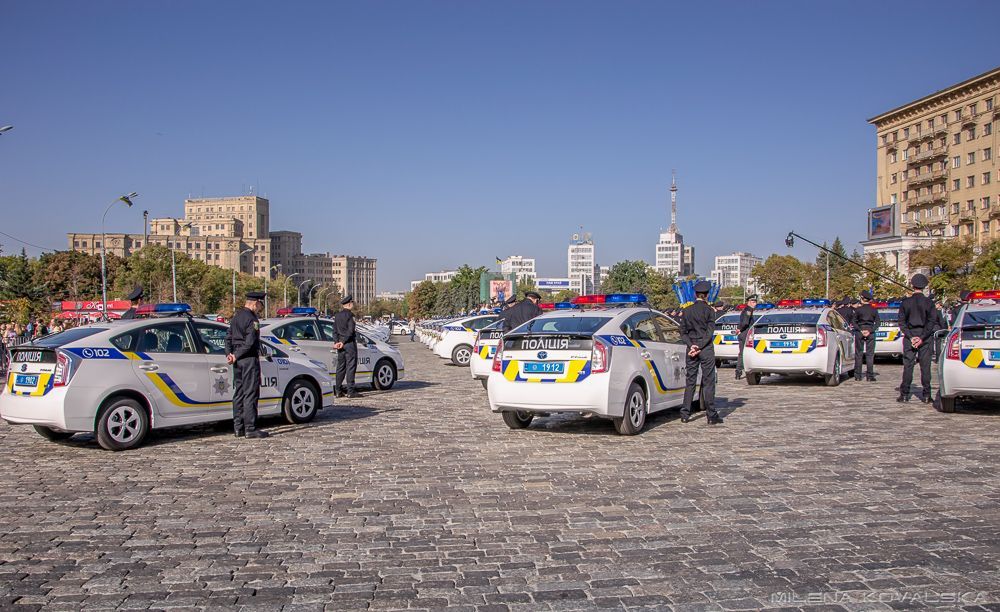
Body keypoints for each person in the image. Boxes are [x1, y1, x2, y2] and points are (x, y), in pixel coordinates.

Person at [226, 291, 268, 438]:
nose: (260, 309)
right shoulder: (252, 319)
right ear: (256, 303)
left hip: (237, 360)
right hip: (249, 359)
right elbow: (250, 343)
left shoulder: (236, 317)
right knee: (250, 394)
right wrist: (236, 355)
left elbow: (228, 338)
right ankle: (250, 428)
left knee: (238, 393)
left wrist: (230, 355)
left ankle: (238, 428)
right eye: (260, 306)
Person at [679, 281, 721, 425]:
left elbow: (682, 332)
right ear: (707, 295)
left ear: (695, 294)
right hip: (706, 348)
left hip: (691, 349)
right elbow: (710, 333)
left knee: (690, 381)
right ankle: (711, 415)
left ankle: (685, 413)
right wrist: (700, 346)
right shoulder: (709, 311)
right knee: (708, 381)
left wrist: (692, 346)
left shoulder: (687, 310)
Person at [898, 274, 939, 403]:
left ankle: (904, 394)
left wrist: (911, 337)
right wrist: (921, 337)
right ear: (925, 286)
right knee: (925, 367)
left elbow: (902, 322)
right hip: (925, 336)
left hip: (910, 335)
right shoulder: (929, 303)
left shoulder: (906, 302)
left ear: (912, 285)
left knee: (908, 366)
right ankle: (926, 395)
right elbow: (931, 322)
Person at [333, 295, 361, 398]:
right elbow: (350, 331)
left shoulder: (337, 315)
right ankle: (350, 391)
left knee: (340, 367)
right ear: (349, 304)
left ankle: (338, 390)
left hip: (340, 345)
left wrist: (337, 342)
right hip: (348, 344)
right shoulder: (350, 315)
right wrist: (344, 342)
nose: (353, 304)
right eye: (352, 303)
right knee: (350, 367)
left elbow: (334, 331)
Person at [853, 290, 880, 382]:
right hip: (870, 331)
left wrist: (860, 330)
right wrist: (870, 330)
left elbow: (854, 322)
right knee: (870, 354)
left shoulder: (858, 310)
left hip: (860, 331)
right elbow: (878, 323)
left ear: (862, 299)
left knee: (858, 354)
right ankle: (870, 375)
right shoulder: (874, 310)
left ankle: (858, 375)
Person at [735, 295, 757, 380]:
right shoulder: (748, 310)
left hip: (743, 333)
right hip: (745, 333)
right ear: (748, 302)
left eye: (755, 302)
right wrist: (739, 329)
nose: (754, 304)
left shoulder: (747, 310)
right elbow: (745, 322)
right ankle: (739, 371)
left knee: (742, 353)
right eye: (752, 302)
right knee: (743, 353)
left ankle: (738, 371)